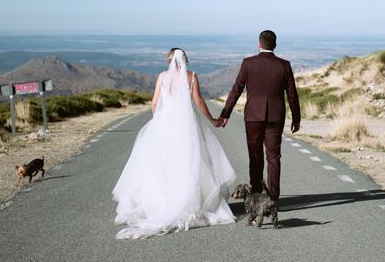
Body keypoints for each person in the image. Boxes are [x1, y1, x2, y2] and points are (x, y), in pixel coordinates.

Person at [112, 48, 236, 239]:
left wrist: (157, 122)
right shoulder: (192, 77)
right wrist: (212, 120)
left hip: (165, 123)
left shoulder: (162, 77)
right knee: (190, 161)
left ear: (169, 61)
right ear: (185, 60)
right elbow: (199, 101)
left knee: (161, 164)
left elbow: (154, 103)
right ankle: (189, 202)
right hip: (186, 123)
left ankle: (159, 205)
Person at [219, 30, 300, 204]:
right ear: (275, 45)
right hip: (275, 117)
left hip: (253, 117)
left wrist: (226, 114)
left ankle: (256, 194)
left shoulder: (248, 63)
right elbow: (292, 94)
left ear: (259, 44)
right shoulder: (284, 65)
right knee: (273, 157)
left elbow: (236, 89)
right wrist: (296, 118)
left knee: (255, 156)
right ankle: (273, 198)